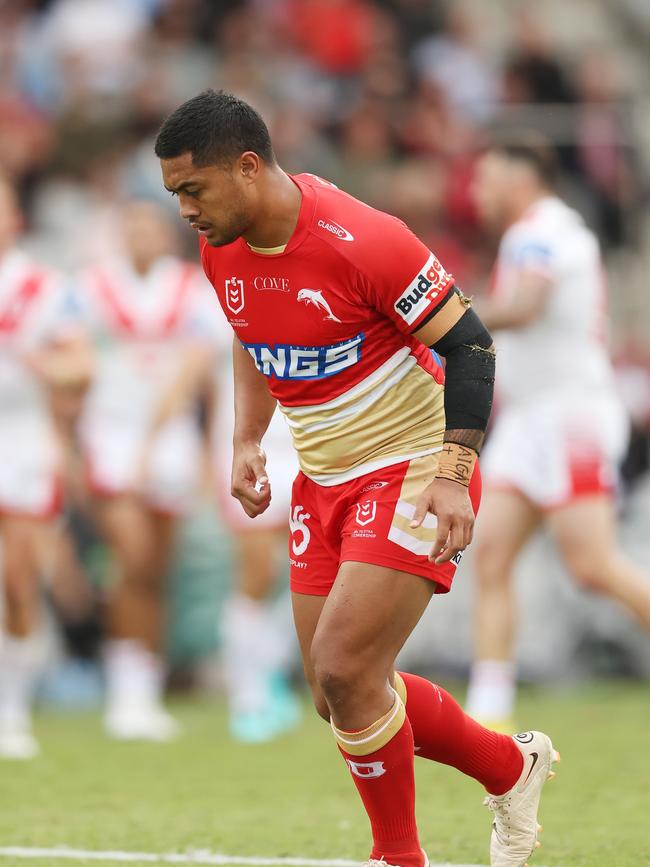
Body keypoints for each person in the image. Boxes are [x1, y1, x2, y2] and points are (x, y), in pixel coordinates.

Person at [155, 90, 559, 867]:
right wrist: (248, 436)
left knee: (346, 667)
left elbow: (472, 347)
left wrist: (453, 470)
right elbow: (250, 333)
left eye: (192, 189)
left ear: (247, 167)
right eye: (175, 192)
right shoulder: (221, 247)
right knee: (333, 690)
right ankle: (513, 765)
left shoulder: (364, 239)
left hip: (411, 467)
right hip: (322, 476)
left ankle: (398, 856)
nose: (183, 209)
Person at [467, 138, 650, 730]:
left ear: (520, 180)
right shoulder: (541, 232)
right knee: (490, 556)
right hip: (527, 420)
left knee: (592, 566)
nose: (479, 192)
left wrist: (442, 317)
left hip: (569, 416)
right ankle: (489, 710)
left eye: (489, 178)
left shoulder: (540, 230)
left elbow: (526, 306)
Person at [76, 200, 211, 741]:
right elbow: (72, 354)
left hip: (169, 440)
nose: (140, 236)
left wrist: (186, 441)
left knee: (157, 566)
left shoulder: (189, 288)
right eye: (129, 226)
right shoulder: (91, 289)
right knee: (130, 558)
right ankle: (124, 688)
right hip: (111, 436)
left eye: (148, 227)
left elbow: (199, 368)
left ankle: (144, 689)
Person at [0, 172, 90, 758]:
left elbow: (80, 368)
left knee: (18, 579)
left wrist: (38, 364)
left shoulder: (44, 288)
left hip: (23, 438)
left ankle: (11, 709)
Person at [210, 309, 301, 743]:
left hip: (307, 440)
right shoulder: (215, 297)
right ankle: (246, 695)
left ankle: (271, 674)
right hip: (249, 443)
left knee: (309, 568)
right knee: (256, 572)